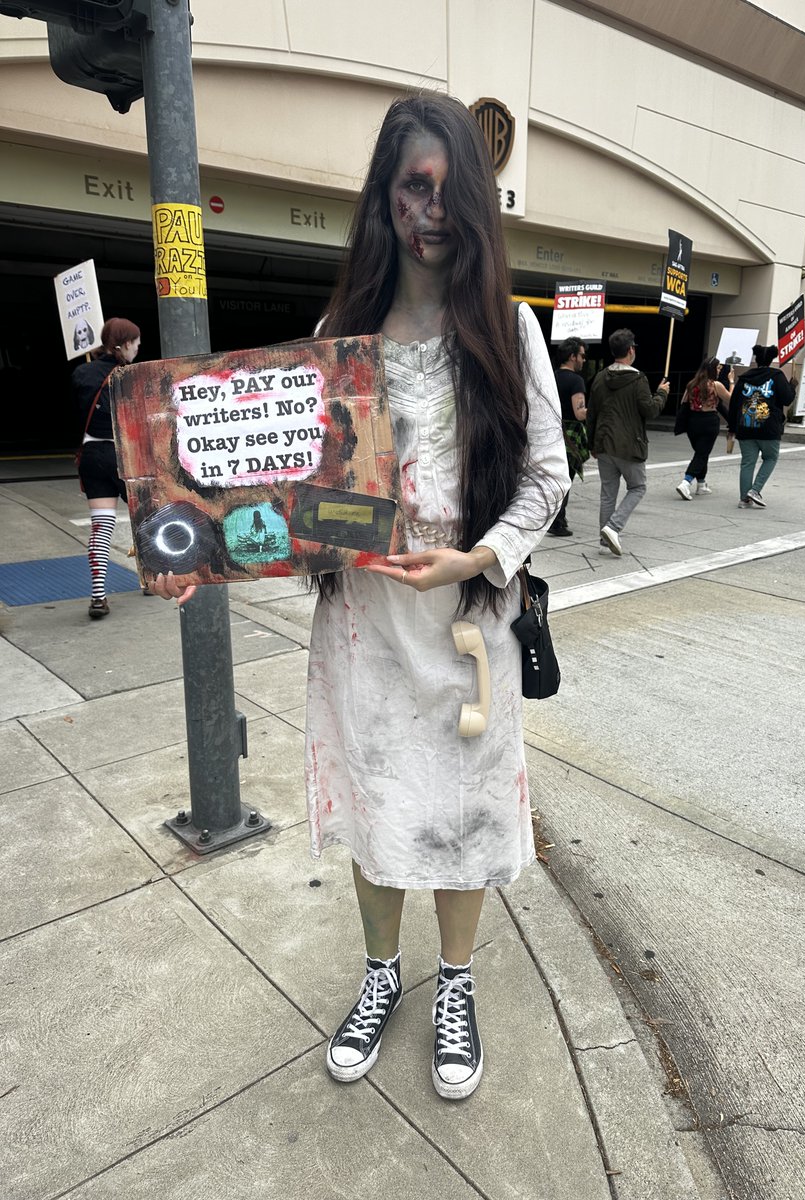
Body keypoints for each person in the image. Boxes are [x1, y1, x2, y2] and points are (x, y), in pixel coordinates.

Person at [152, 93, 568, 1101]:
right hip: (364, 632)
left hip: (468, 634)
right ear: (382, 201)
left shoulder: (509, 331)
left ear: (474, 202)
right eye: (410, 187)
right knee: (379, 811)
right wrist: (205, 540)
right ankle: (383, 976)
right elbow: (286, 490)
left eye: (447, 189)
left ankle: (454, 986)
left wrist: (478, 560)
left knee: (464, 819)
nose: (429, 210)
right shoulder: (337, 337)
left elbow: (548, 476)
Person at [71, 317, 141, 618]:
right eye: (136, 343)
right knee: (145, 519)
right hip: (120, 454)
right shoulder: (128, 375)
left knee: (102, 527)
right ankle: (151, 579)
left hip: (90, 455)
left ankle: (98, 596)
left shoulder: (81, 372)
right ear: (125, 344)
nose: (138, 349)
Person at [585, 327, 669, 555]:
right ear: (631, 350)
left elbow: (592, 413)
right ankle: (613, 527)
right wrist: (661, 393)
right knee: (638, 487)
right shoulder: (638, 379)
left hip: (603, 444)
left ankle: (605, 540)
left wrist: (592, 443)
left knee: (607, 493)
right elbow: (649, 410)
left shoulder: (600, 377)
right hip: (629, 445)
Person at [727, 342, 795, 508]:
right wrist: (792, 385)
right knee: (770, 458)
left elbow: (734, 404)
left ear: (756, 359)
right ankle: (755, 490)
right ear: (771, 359)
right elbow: (787, 399)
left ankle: (744, 499)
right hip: (769, 428)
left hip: (745, 427)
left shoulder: (744, 378)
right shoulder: (777, 376)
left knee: (747, 463)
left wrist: (732, 428)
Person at [674, 356, 733, 500]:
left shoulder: (692, 384)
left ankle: (701, 484)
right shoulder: (715, 385)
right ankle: (686, 482)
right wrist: (731, 381)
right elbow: (731, 398)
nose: (719, 371)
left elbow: (684, 403)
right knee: (701, 454)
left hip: (692, 422)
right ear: (712, 369)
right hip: (709, 422)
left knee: (701, 452)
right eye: (718, 368)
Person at [548, 337, 589, 537]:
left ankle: (551, 518)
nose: (584, 360)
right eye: (581, 355)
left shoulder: (550, 376)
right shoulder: (576, 381)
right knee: (564, 480)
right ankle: (558, 521)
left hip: (550, 432)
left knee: (550, 479)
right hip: (569, 437)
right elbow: (580, 412)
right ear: (572, 356)